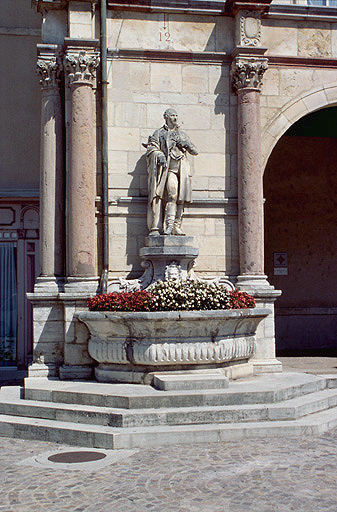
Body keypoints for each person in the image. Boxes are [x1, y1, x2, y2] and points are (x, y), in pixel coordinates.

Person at [143, 108, 198, 236]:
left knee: (181, 198)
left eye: (176, 115)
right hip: (169, 170)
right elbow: (151, 148)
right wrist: (159, 155)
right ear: (166, 117)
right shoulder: (160, 133)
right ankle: (169, 225)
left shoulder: (182, 134)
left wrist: (185, 143)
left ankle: (177, 226)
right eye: (172, 115)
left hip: (182, 169)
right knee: (172, 194)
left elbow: (195, 151)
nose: (174, 118)